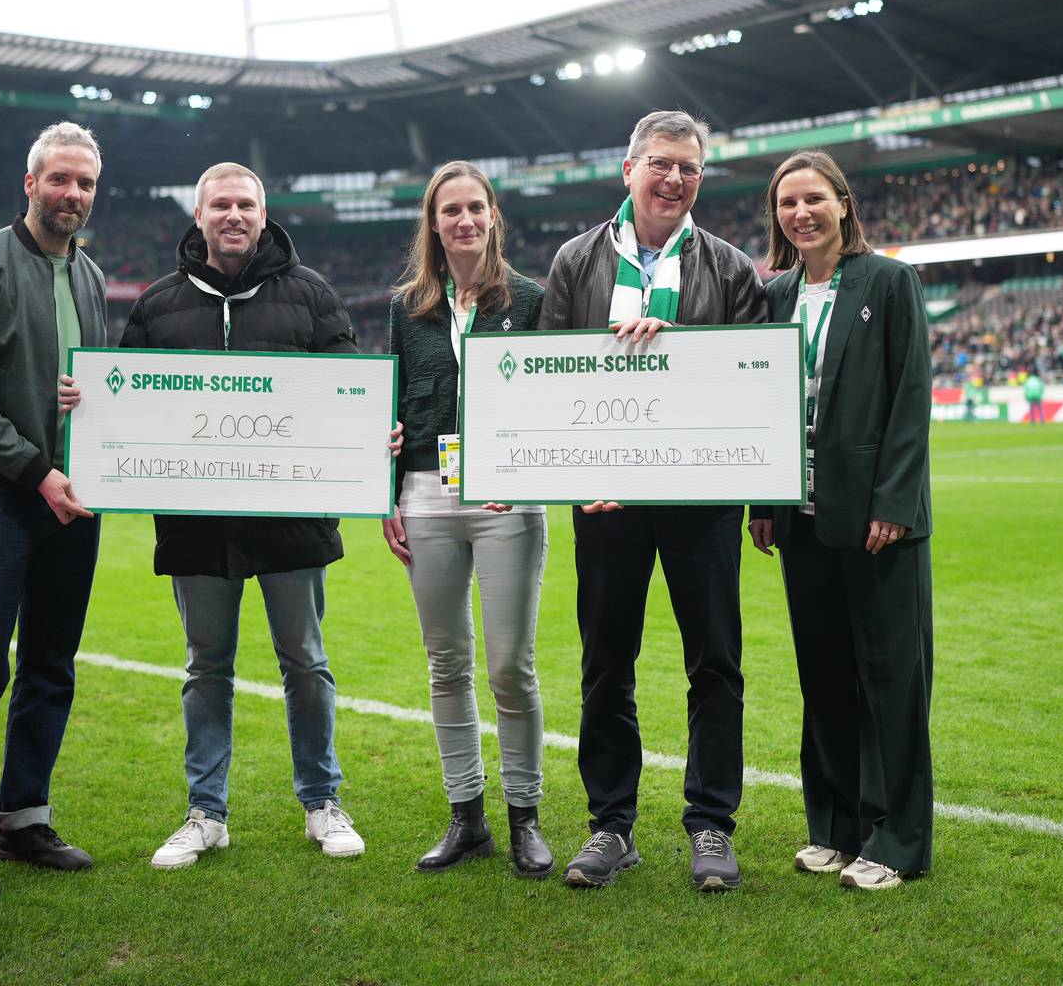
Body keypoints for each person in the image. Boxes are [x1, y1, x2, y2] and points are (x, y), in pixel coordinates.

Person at [122, 161, 384, 869]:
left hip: (291, 520)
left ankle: (322, 801)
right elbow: (126, 406)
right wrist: (86, 408)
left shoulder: (312, 294)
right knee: (206, 668)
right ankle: (206, 813)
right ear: (199, 215)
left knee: (306, 663)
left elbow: (349, 390)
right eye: (220, 205)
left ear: (263, 216)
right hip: (197, 525)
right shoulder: (157, 305)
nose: (233, 215)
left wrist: (373, 426)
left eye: (245, 204)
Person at [539, 110, 766, 892]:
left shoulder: (730, 267)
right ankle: (611, 824)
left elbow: (755, 386)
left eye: (689, 168)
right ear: (628, 169)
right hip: (606, 500)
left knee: (716, 662)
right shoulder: (575, 261)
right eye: (661, 164)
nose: (674, 179)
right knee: (606, 662)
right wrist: (573, 478)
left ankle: (711, 824)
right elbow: (546, 377)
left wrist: (685, 353)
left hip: (704, 500)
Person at [748, 149, 934, 892]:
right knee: (822, 677)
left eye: (814, 198)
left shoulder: (887, 282)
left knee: (889, 682)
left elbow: (910, 396)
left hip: (874, 520)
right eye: (787, 202)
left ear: (843, 203)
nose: (801, 213)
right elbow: (760, 406)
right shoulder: (775, 294)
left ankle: (898, 840)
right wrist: (764, 501)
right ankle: (834, 827)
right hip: (801, 518)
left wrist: (894, 503)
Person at [0, 122, 108, 903]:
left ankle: (25, 820)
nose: (73, 194)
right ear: (30, 183)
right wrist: (37, 470)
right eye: (60, 179)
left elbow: (93, 384)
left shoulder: (91, 277)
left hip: (74, 500)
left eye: (86, 183)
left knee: (50, 665)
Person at [383, 162, 553, 878]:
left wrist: (523, 471)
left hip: (506, 498)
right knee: (446, 662)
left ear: (492, 215)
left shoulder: (531, 298)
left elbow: (553, 400)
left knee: (511, 665)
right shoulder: (407, 307)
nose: (464, 220)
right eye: (450, 210)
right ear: (433, 222)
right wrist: (389, 494)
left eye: (475, 207)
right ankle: (467, 819)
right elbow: (391, 402)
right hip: (427, 494)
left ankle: (525, 818)